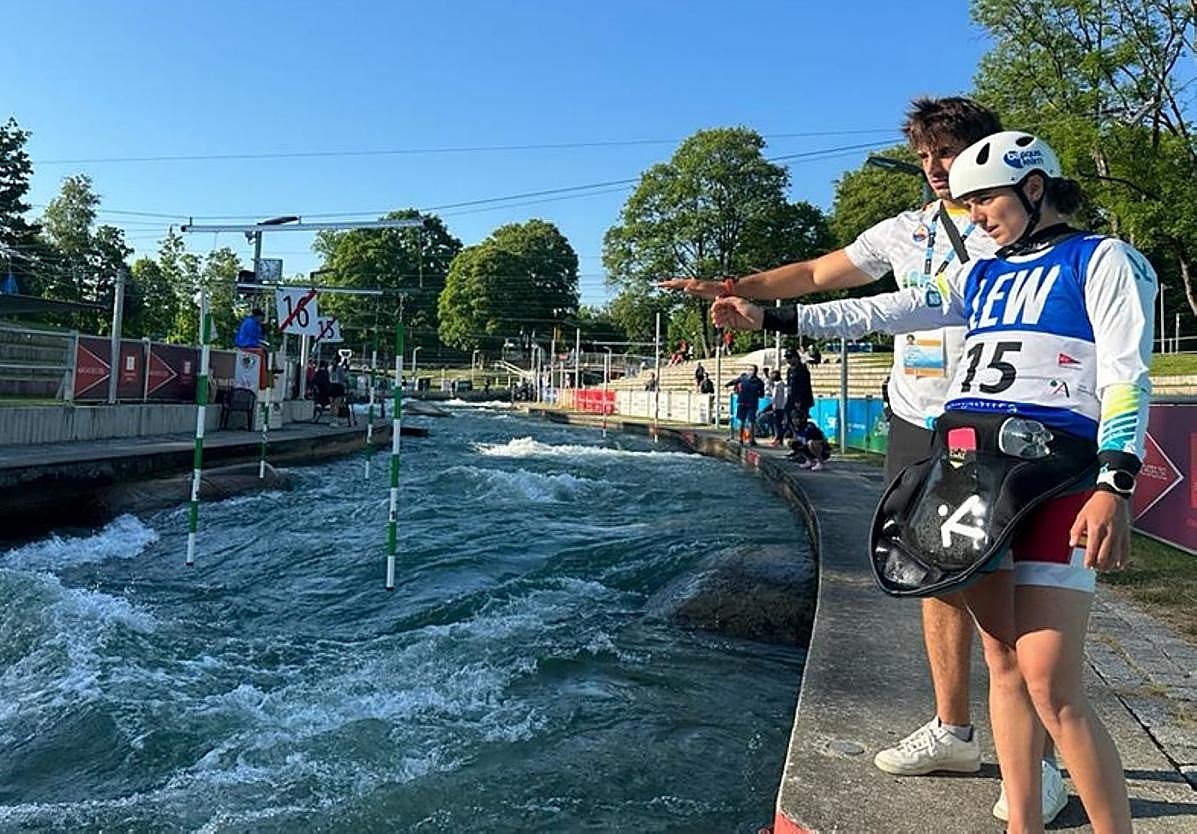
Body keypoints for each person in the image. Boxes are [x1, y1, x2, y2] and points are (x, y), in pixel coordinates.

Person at [712, 131, 1152, 834]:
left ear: (1033, 188)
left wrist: (1114, 484)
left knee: (1050, 682)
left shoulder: (1102, 259)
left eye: (986, 201)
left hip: (1055, 477)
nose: (975, 215)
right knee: (1004, 664)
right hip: (967, 474)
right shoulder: (978, 274)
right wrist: (771, 315)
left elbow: (1127, 376)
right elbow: (880, 310)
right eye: (968, 203)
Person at [660, 96, 1011, 803]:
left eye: (946, 152)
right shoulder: (905, 230)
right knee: (930, 572)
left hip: (988, 415)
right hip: (914, 414)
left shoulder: (1010, 231)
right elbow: (819, 274)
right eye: (924, 155)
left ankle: (1037, 755)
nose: (934, 167)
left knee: (999, 584)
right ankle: (952, 729)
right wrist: (732, 287)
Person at [767, 369, 789, 446]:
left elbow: (783, 396)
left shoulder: (781, 384)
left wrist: (781, 405)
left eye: (772, 375)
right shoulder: (775, 385)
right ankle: (779, 439)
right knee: (777, 423)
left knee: (778, 424)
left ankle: (778, 439)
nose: (771, 376)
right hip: (777, 406)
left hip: (779, 407)